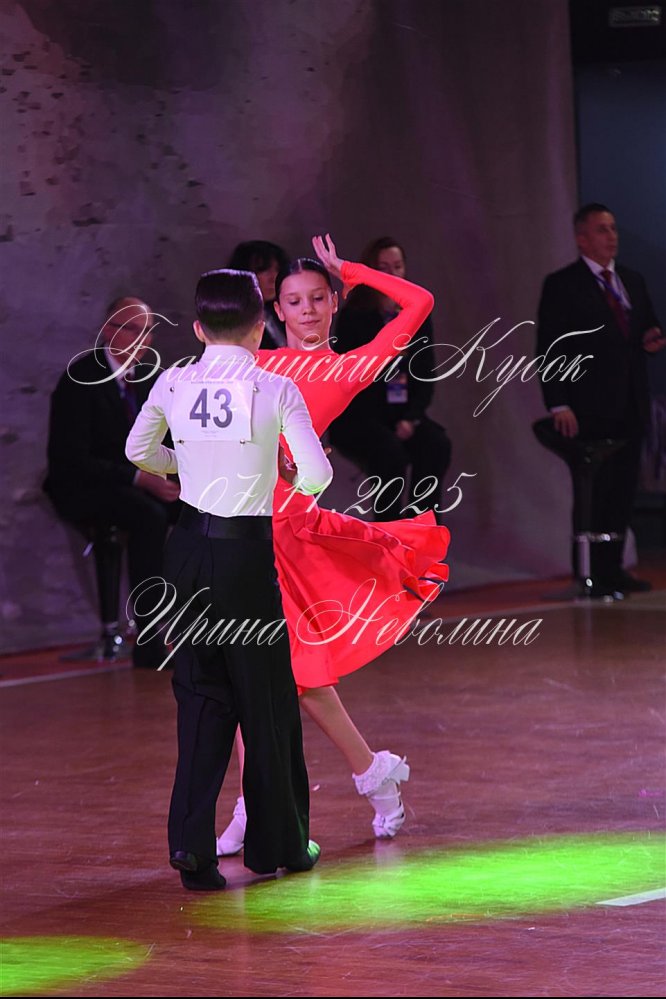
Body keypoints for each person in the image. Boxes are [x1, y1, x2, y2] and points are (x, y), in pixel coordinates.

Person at [216, 235, 449, 856]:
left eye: (319, 298)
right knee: (271, 678)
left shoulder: (349, 367)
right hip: (245, 528)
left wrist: (355, 270)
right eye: (295, 301)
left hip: (288, 533)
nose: (309, 311)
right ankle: (369, 775)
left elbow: (420, 302)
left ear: (334, 304)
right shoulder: (255, 361)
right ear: (277, 310)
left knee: (284, 676)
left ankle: (262, 803)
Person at [126, 268, 332, 889]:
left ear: (197, 329)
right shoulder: (275, 388)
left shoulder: (172, 380)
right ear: (261, 326)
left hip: (186, 552)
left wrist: (183, 465)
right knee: (265, 700)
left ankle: (191, 850)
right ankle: (280, 846)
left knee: (199, 698)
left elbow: (138, 451)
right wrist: (288, 476)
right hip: (244, 559)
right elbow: (317, 475)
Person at [44, 297, 180, 667]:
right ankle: (149, 639)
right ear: (108, 330)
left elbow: (168, 439)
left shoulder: (150, 377)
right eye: (132, 329)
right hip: (84, 484)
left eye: (147, 331)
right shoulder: (80, 378)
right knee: (148, 516)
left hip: (137, 481)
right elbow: (73, 458)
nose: (141, 340)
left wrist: (174, 476)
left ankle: (196, 624)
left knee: (198, 508)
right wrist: (139, 478)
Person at [536, 203, 664, 596]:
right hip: (587, 405)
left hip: (630, 402)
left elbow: (645, 326)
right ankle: (588, 570)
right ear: (582, 238)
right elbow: (550, 347)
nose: (612, 236)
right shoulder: (563, 284)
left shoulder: (631, 280)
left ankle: (613, 568)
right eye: (602, 229)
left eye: (613, 228)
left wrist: (651, 337)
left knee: (623, 489)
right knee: (594, 488)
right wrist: (559, 403)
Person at [329, 237, 451, 523]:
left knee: (436, 444)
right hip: (362, 416)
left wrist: (411, 417)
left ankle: (422, 528)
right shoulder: (355, 316)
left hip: (403, 412)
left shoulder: (416, 314)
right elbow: (350, 377)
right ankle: (389, 531)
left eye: (397, 266)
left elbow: (426, 372)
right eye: (383, 268)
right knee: (389, 454)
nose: (392, 274)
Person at [227, 240, 290, 348]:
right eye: (263, 270)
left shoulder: (279, 312)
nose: (273, 277)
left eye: (277, 269)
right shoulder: (230, 321)